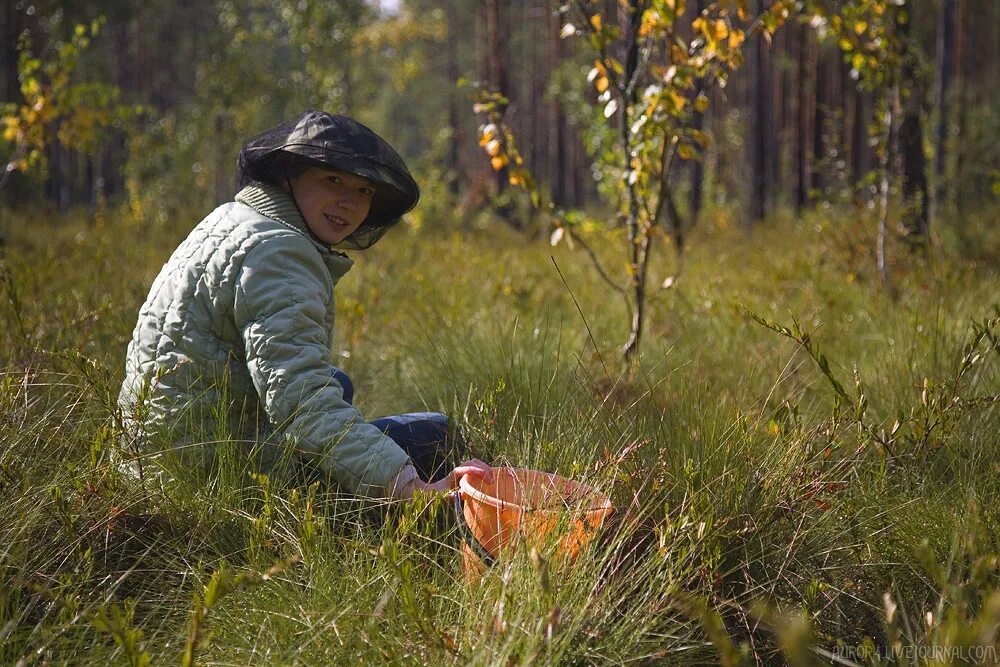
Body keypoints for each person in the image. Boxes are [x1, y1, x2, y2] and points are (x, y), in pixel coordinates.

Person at [118, 110, 490, 500]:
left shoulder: (230, 218)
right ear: (288, 174)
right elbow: (301, 403)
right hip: (223, 478)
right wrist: (409, 488)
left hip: (149, 462)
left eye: (364, 191)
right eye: (333, 181)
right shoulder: (279, 253)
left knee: (338, 383)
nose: (349, 203)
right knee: (434, 432)